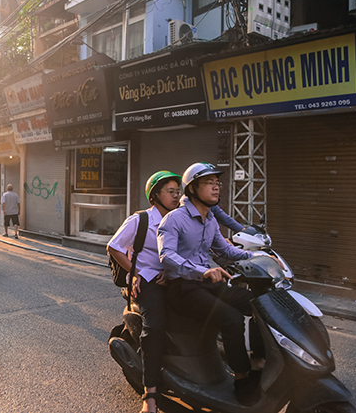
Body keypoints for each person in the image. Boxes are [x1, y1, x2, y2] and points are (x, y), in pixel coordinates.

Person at [157, 162, 264, 406]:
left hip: (208, 284)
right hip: (183, 288)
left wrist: (260, 257)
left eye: (217, 183)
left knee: (261, 304)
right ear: (192, 189)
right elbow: (167, 256)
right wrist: (202, 271)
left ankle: (259, 362)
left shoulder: (210, 220)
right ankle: (241, 378)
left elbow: (225, 251)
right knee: (231, 318)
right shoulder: (174, 220)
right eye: (209, 183)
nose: (216, 188)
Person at [107, 171, 182, 413]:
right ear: (155, 196)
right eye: (171, 192)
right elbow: (114, 247)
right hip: (145, 281)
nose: (176, 196)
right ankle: (150, 393)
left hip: (173, 279)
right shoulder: (140, 220)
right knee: (155, 326)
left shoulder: (180, 220)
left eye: (178, 191)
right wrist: (137, 272)